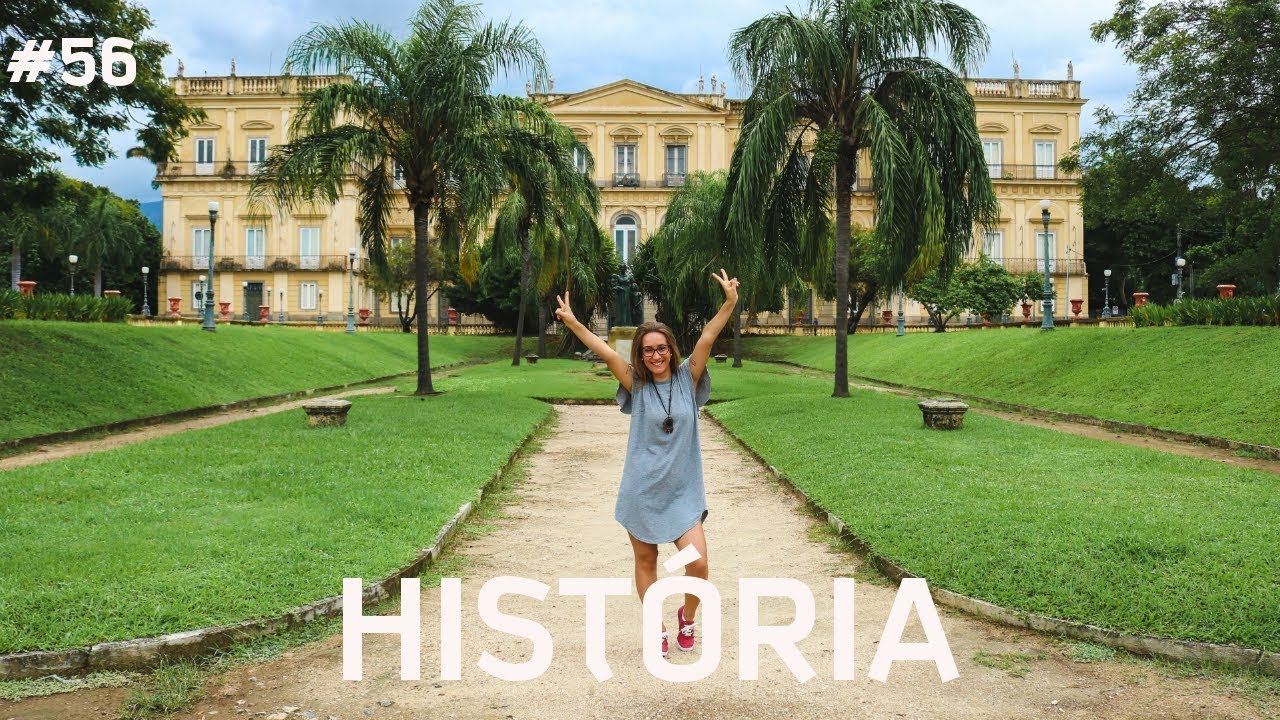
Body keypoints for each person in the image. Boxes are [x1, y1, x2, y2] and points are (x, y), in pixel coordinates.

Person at [553, 269, 740, 657]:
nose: (655, 355)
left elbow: (707, 336)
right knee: (647, 561)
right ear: (639, 355)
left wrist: (729, 303)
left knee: (697, 564)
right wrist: (573, 322)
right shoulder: (634, 383)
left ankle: (686, 617)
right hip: (642, 492)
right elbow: (605, 351)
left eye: (661, 348)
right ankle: (655, 627)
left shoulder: (689, 378)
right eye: (647, 350)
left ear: (671, 349)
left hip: (683, 495)